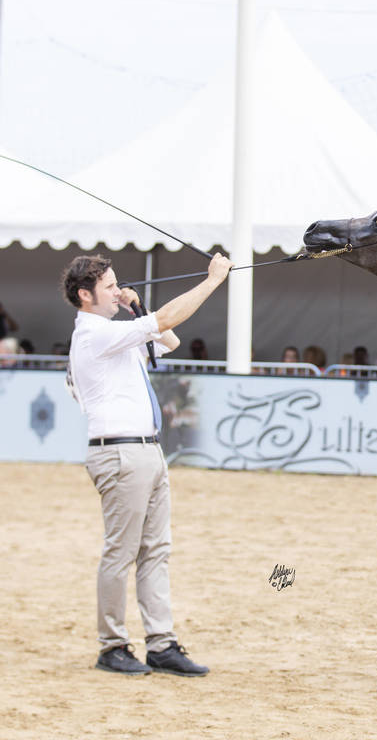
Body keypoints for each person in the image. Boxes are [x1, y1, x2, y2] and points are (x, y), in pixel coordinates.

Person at [62, 251, 233, 676]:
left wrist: (132, 306)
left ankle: (161, 643)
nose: (117, 290)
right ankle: (111, 645)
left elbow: (168, 340)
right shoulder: (93, 335)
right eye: (108, 287)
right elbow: (165, 321)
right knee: (120, 553)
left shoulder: (114, 330)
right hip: (120, 451)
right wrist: (213, 282)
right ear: (85, 295)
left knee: (156, 550)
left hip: (145, 450)